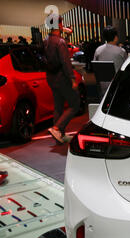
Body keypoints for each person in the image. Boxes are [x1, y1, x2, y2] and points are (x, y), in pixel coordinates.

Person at [43, 14, 80, 143]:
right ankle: (57, 128)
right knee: (75, 104)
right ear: (59, 24)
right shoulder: (60, 42)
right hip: (62, 77)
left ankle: (60, 136)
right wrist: (73, 79)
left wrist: (65, 33)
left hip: (51, 78)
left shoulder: (46, 40)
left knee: (58, 106)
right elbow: (66, 62)